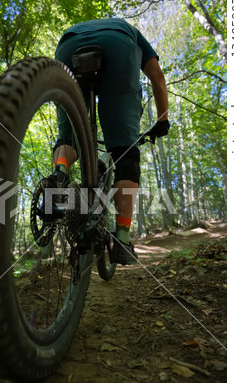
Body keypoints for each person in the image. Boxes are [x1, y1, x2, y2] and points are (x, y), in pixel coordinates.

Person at [51, 18, 169, 265]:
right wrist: (162, 120)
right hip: (118, 46)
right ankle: (123, 239)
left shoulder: (77, 29)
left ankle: (59, 173)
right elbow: (156, 74)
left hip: (66, 47)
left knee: (69, 136)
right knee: (126, 153)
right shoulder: (131, 31)